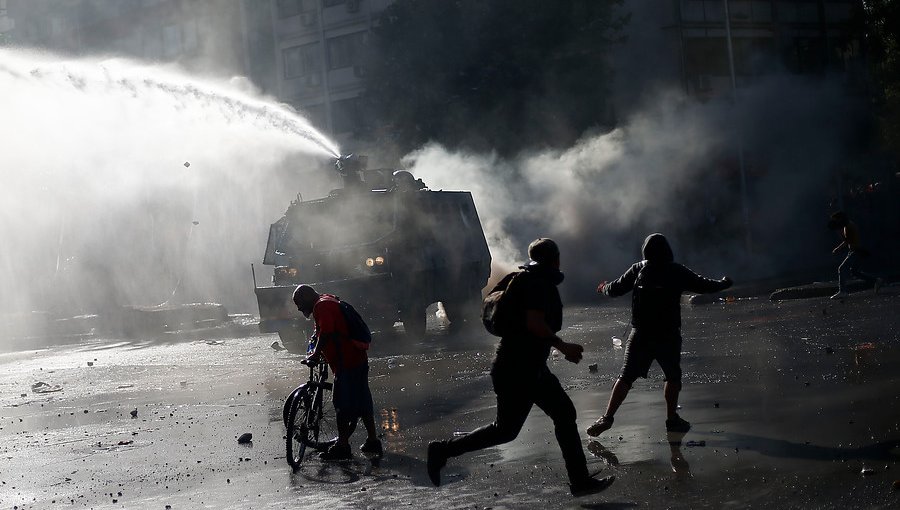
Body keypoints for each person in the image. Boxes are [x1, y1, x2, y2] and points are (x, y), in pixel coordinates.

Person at [426, 238, 616, 497]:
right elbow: (535, 323)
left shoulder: (530, 279)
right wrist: (563, 347)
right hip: (517, 369)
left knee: (563, 414)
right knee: (505, 431)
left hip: (530, 367)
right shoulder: (536, 283)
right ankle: (442, 450)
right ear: (555, 259)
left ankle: (580, 481)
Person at [587, 233, 732, 437]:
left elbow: (616, 288)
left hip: (640, 335)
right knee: (672, 376)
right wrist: (724, 283)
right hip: (668, 335)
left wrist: (603, 288)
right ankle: (672, 420)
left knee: (626, 376)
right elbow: (704, 285)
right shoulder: (675, 270)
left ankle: (607, 418)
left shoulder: (638, 268)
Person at [292, 284, 382, 461]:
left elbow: (326, 333)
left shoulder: (321, 306)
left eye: (299, 303)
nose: (299, 308)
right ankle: (373, 440)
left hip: (346, 361)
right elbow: (322, 333)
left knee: (340, 404)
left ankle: (343, 446)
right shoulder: (328, 299)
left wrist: (316, 355)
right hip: (357, 358)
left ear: (308, 297)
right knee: (363, 399)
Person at [828, 211, 883, 299]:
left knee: (841, 268)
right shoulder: (848, 225)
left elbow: (847, 241)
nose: (835, 222)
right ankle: (876, 280)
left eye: (836, 220)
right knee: (854, 272)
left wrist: (838, 246)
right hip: (855, 250)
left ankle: (842, 291)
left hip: (855, 251)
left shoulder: (848, 226)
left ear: (840, 219)